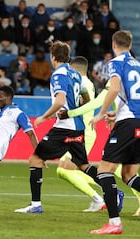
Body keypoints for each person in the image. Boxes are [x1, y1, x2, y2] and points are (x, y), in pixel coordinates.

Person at [14, 41, 99, 214]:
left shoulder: (58, 74)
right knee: (83, 165)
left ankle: (36, 205)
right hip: (77, 127)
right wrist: (69, 111)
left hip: (64, 128)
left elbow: (60, 100)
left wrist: (44, 117)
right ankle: (112, 190)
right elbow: (86, 100)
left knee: (35, 160)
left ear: (53, 57)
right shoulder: (76, 74)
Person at [89, 31, 140, 234]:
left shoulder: (116, 62)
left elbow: (114, 89)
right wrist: (116, 115)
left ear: (113, 44)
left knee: (104, 170)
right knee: (129, 175)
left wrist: (101, 114)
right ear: (130, 44)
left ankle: (114, 223)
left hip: (128, 124)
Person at [55, 56, 110, 212]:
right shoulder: (88, 83)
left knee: (64, 169)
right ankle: (106, 191)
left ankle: (102, 195)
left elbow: (79, 106)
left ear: (74, 68)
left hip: (82, 132)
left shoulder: (80, 83)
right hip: (81, 131)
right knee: (68, 169)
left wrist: (65, 113)